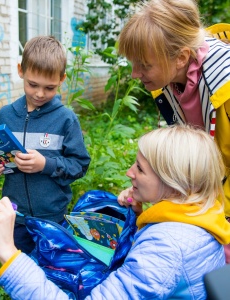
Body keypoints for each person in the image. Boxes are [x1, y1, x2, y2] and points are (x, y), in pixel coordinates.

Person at [0, 125, 230, 299]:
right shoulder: (199, 215)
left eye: (140, 169)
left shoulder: (165, 250)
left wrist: (7, 252)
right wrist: (142, 213)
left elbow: (161, 260)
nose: (129, 173)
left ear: (173, 182)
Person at [117, 0, 230, 262]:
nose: (135, 74)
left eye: (144, 65)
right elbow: (190, 164)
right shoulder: (171, 79)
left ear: (181, 57)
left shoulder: (224, 86)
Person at [0, 36, 91, 254]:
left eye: (49, 88)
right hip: (16, 216)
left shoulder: (66, 120)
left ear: (62, 79)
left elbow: (79, 165)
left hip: (53, 216)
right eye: (32, 84)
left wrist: (45, 164)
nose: (40, 94)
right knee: (18, 265)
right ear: (21, 70)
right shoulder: (5, 116)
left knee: (51, 268)